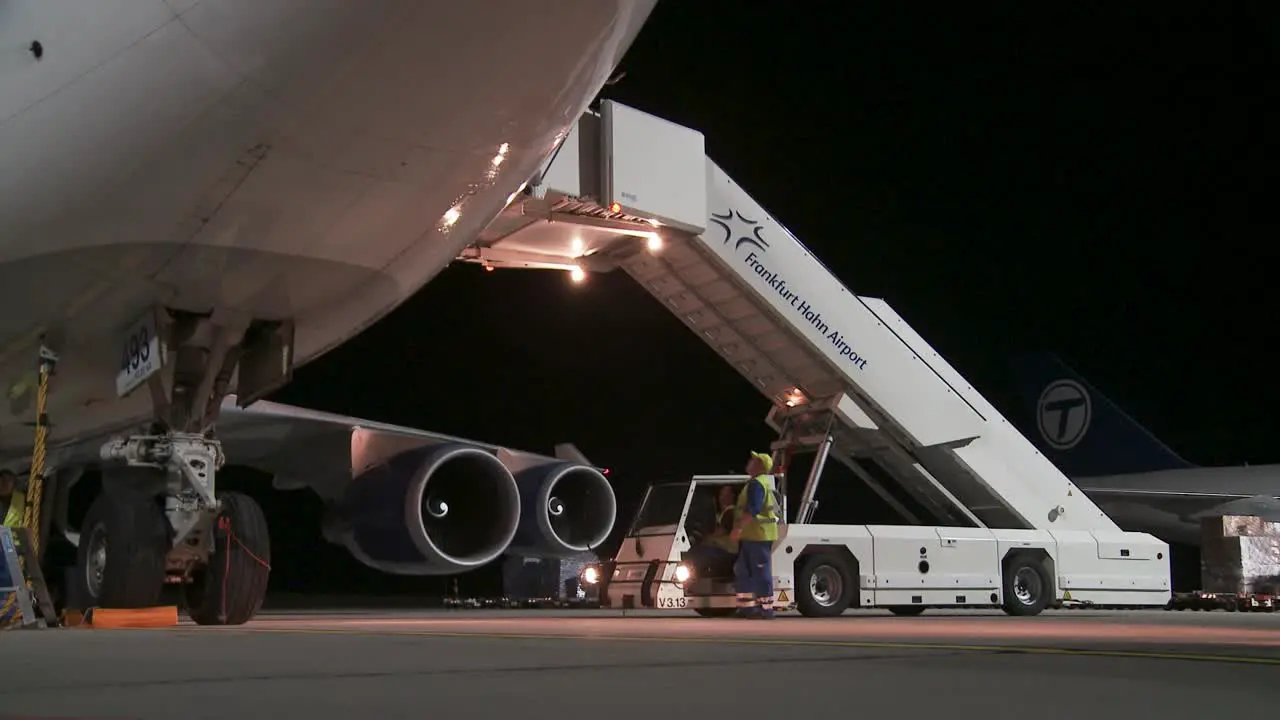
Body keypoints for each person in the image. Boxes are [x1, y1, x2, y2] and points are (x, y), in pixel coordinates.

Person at [731, 451, 780, 619]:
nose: (749, 461)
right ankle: (747, 608)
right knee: (742, 571)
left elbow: (753, 510)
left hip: (759, 536)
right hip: (752, 536)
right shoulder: (754, 483)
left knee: (760, 572)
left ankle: (765, 609)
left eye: (753, 460)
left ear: (759, 465)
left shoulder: (757, 484)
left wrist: (737, 529)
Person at [686, 485, 740, 577]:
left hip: (728, 550)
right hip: (721, 548)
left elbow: (720, 532)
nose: (722, 498)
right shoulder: (722, 513)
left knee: (696, 555)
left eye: (726, 495)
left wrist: (704, 539)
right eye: (721, 495)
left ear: (732, 496)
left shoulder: (731, 512)